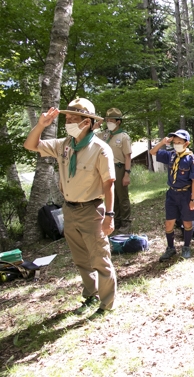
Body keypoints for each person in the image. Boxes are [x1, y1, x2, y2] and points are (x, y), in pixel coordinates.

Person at [24, 98, 117, 318]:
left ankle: (106, 304)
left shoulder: (100, 149)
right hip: (70, 210)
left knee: (99, 259)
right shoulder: (64, 145)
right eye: (67, 118)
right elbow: (30, 145)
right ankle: (90, 295)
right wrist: (41, 126)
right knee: (81, 259)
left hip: (92, 210)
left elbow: (108, 183)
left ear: (86, 122)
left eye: (73, 118)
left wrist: (110, 216)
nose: (68, 121)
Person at [149, 130, 194, 261]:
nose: (176, 144)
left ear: (186, 143)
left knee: (187, 222)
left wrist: (193, 199)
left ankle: (187, 246)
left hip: (186, 194)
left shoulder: (191, 159)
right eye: (175, 142)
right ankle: (170, 248)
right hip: (172, 194)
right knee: (169, 222)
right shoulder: (171, 155)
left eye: (179, 142)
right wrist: (163, 142)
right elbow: (152, 152)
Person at [95, 108, 132, 234]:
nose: (109, 122)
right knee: (111, 196)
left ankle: (126, 222)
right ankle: (116, 220)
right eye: (107, 120)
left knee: (122, 196)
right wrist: (97, 124)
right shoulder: (104, 134)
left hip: (119, 168)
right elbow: (90, 136)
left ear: (118, 122)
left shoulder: (123, 137)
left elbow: (127, 157)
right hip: (106, 168)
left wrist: (127, 174)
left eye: (111, 120)